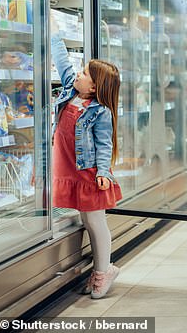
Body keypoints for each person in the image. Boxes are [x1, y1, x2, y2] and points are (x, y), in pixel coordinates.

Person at [51, 19, 122, 299]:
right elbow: (61, 60)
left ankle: (103, 272)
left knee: (95, 223)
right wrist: (53, 31)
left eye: (83, 74)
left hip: (88, 173)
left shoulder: (100, 111)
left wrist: (103, 171)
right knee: (86, 220)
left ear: (94, 88)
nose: (77, 75)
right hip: (67, 168)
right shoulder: (71, 88)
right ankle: (101, 269)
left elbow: (104, 144)